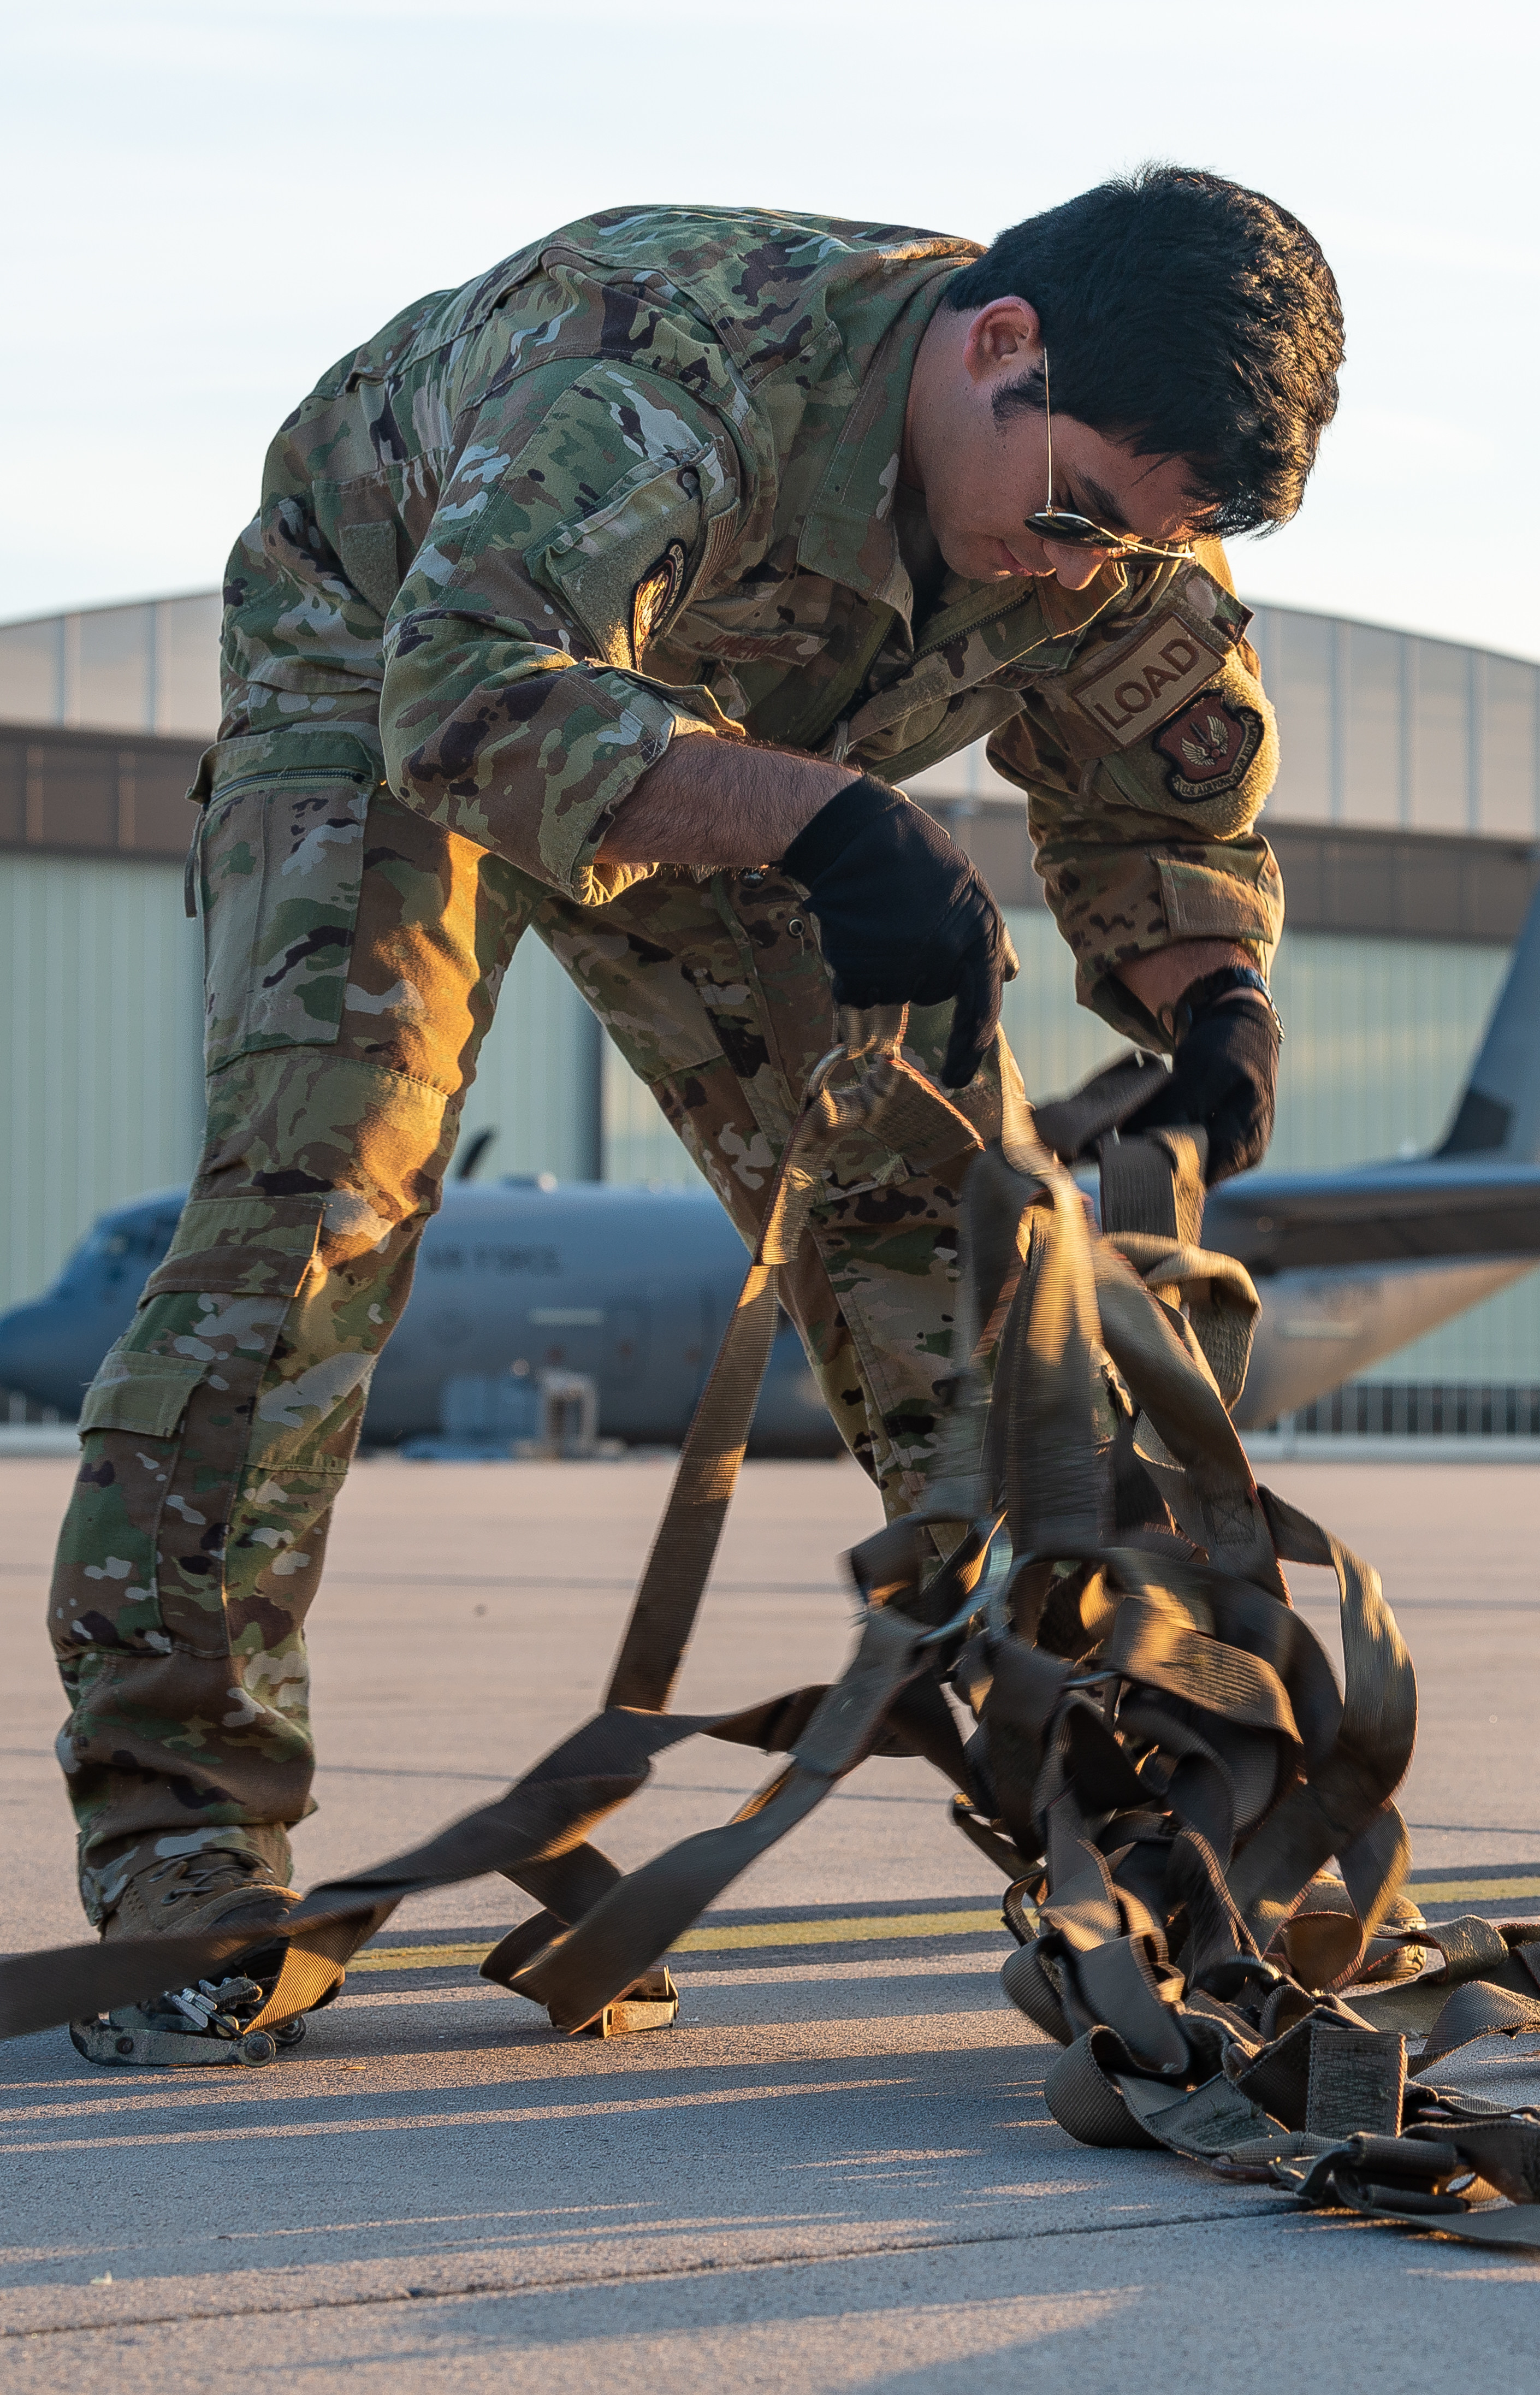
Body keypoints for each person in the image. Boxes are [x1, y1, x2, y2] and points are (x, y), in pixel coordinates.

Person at [46, 168, 1337, 2063]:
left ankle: (1125, 1795)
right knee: (317, 1211)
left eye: (1125, 546)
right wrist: (833, 824)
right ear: (999, 344)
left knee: (950, 1226)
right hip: (397, 667)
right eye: (1066, 517)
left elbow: (1159, 799)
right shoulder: (659, 373)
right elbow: (474, 699)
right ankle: (186, 1855)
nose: (1076, 568)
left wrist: (1212, 1001)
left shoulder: (1121, 511)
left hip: (713, 740)